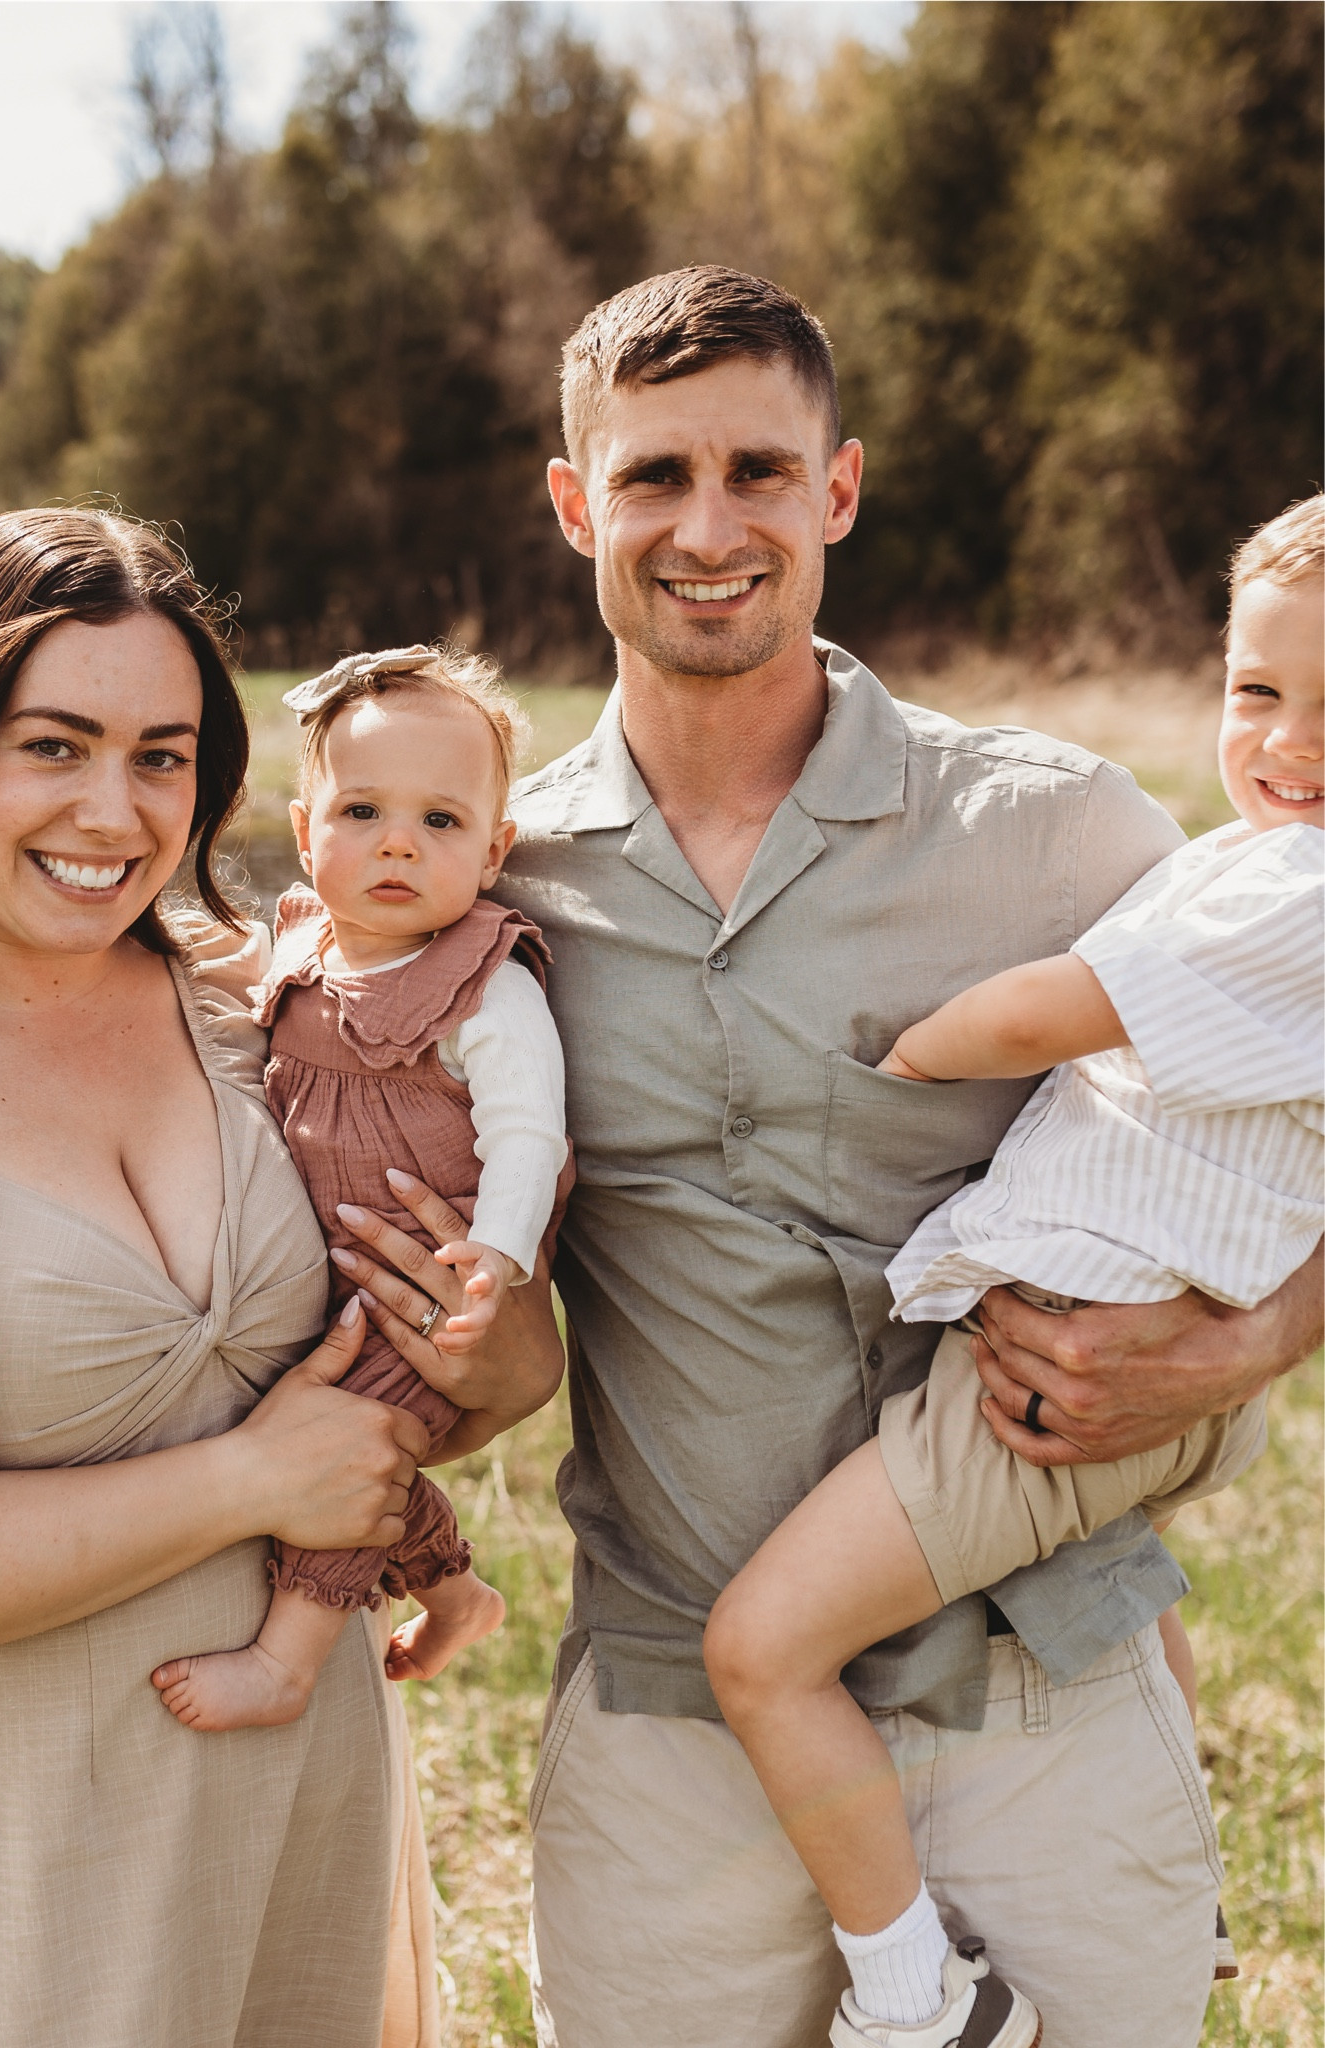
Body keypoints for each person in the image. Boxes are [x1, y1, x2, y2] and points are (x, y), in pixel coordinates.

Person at [486, 267, 1324, 2048]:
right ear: (573, 503)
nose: (705, 526)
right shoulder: (491, 879)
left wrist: (1265, 1332)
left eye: (757, 472)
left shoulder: (1062, 828)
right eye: (649, 476)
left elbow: (1288, 1064)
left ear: (836, 489)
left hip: (1041, 1705)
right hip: (668, 1744)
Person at [0, 509, 564, 2048]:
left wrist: (508, 1362)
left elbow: (379, 1389)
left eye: (162, 756)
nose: (114, 807)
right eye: (54, 744)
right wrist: (245, 1483)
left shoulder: (249, 1011)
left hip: (295, 1810)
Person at [702, 493, 1323, 2047]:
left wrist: (899, 1050)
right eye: (1257, 691)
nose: (1287, 743)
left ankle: (918, 1995)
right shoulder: (1250, 860)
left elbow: (1041, 1015)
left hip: (1067, 1362)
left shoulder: (1294, 885)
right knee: (1119, 1592)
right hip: (1131, 1334)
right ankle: (1195, 1891)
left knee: (763, 1651)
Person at [152, 646, 568, 1732]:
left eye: (440, 821)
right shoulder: (302, 943)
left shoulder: (488, 983)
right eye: (363, 809)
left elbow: (529, 1130)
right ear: (304, 831)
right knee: (331, 1439)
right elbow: (235, 981)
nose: (396, 840)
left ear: (494, 848)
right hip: (329, 1268)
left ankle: (288, 1659)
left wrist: (499, 1250)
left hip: (420, 1278)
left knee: (350, 1437)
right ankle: (454, 1591)